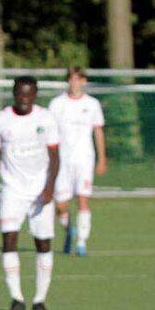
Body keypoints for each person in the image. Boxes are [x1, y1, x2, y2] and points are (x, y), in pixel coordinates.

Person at [0, 76, 60, 310]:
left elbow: (55, 156)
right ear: (14, 94)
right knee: (9, 240)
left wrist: (49, 187)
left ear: (35, 95)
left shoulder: (46, 118)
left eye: (29, 94)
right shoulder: (0, 120)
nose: (24, 99)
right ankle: (16, 299)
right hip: (12, 190)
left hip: (40, 191)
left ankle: (39, 300)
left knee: (43, 243)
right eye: (20, 94)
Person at [49, 67, 106, 256]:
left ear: (84, 81)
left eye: (78, 79)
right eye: (71, 79)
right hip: (62, 161)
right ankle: (68, 231)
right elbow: (50, 133)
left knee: (82, 200)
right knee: (61, 204)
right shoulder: (57, 104)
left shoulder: (92, 104)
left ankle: (82, 242)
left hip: (84, 159)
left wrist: (101, 159)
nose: (74, 83)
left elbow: (98, 132)